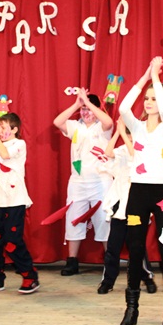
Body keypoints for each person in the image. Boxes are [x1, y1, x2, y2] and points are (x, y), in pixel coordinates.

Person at [117, 56, 163, 325]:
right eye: (147, 98)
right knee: (135, 248)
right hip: (138, 194)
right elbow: (123, 107)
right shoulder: (137, 127)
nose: (148, 102)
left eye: (153, 98)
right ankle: (131, 307)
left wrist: (156, 76)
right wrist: (144, 77)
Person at [0, 112, 40, 294]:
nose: (0, 131)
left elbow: (5, 155)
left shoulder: (19, 144)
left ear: (14, 129)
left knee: (13, 241)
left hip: (14, 201)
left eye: (3, 128)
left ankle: (29, 276)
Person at [53, 88, 113, 276]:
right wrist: (77, 104)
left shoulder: (102, 128)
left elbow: (109, 122)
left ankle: (110, 260)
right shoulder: (75, 127)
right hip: (78, 182)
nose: (86, 112)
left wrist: (87, 102)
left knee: (104, 219)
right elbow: (57, 122)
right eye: (84, 110)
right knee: (74, 218)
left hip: (101, 181)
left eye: (89, 109)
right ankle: (72, 261)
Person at [97, 116, 158, 295]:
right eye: (128, 133)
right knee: (113, 246)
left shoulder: (144, 149)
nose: (130, 137)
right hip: (120, 203)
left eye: (132, 133)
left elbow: (135, 156)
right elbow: (108, 153)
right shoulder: (122, 149)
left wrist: (124, 133)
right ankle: (108, 281)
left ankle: (146, 278)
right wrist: (118, 132)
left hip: (137, 204)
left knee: (137, 245)